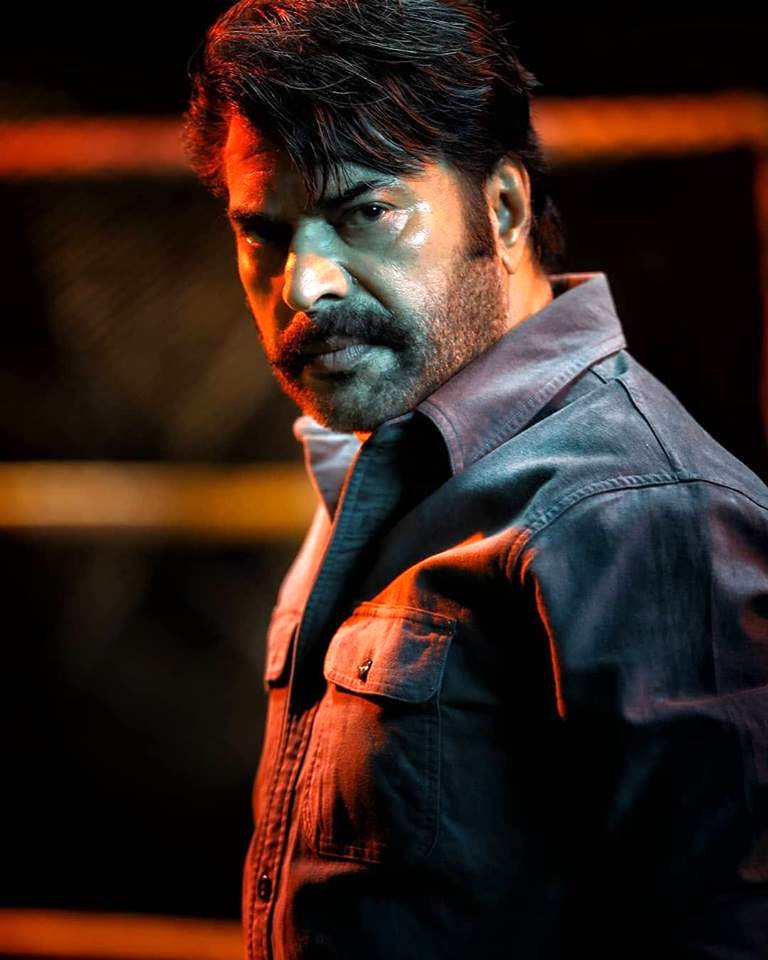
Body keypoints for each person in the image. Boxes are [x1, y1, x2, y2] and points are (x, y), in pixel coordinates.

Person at [184, 1, 768, 956]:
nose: (305, 285)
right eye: (265, 233)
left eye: (367, 213)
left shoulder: (645, 514)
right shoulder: (383, 455)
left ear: (502, 210)